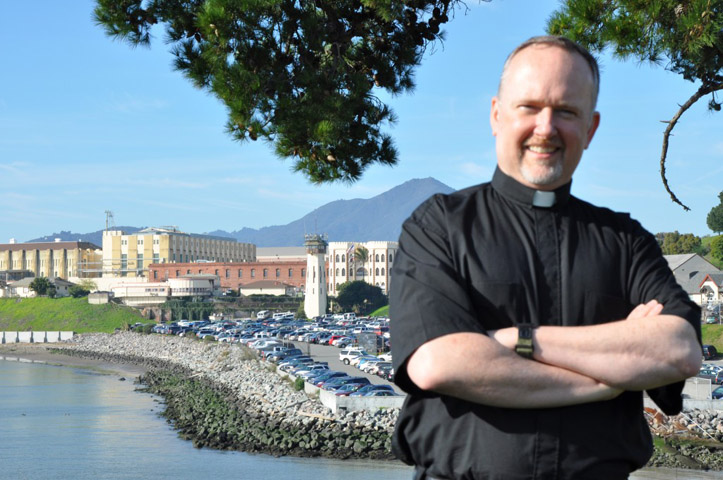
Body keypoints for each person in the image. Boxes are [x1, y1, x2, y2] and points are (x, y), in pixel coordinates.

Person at [389, 35, 702, 480]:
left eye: (566, 112)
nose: (546, 127)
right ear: (497, 115)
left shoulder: (626, 240)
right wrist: (606, 380)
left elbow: (679, 349)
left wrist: (520, 339)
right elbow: (440, 362)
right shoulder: (438, 226)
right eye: (530, 107)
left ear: (591, 129)